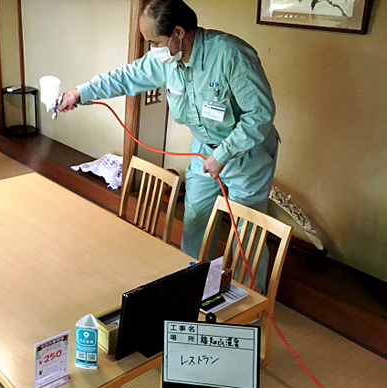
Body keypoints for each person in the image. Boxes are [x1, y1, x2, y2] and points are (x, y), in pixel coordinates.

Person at [59, 0, 279, 291]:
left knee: (245, 234)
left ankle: (250, 299)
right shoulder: (167, 60)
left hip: (247, 155)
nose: (152, 49)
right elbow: (125, 77)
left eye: (154, 41)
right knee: (195, 222)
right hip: (204, 148)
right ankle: (193, 288)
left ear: (178, 33)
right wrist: (80, 93)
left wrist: (224, 154)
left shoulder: (230, 55)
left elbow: (260, 115)